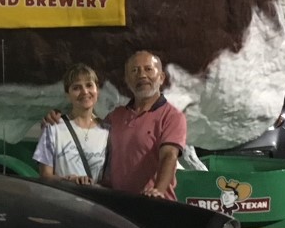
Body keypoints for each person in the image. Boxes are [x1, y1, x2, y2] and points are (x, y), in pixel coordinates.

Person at [43, 50, 188, 198]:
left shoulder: (172, 116)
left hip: (152, 203)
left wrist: (158, 190)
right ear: (127, 80)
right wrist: (55, 119)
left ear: (161, 77)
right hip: (116, 204)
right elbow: (85, 130)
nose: (142, 75)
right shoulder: (115, 117)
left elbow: (169, 155)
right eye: (135, 70)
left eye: (148, 69)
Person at [33, 64, 109, 184]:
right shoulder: (53, 127)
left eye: (89, 85)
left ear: (97, 90)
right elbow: (45, 176)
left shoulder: (106, 131)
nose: (85, 92)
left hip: (94, 196)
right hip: (63, 195)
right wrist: (70, 181)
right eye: (76, 88)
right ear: (67, 94)